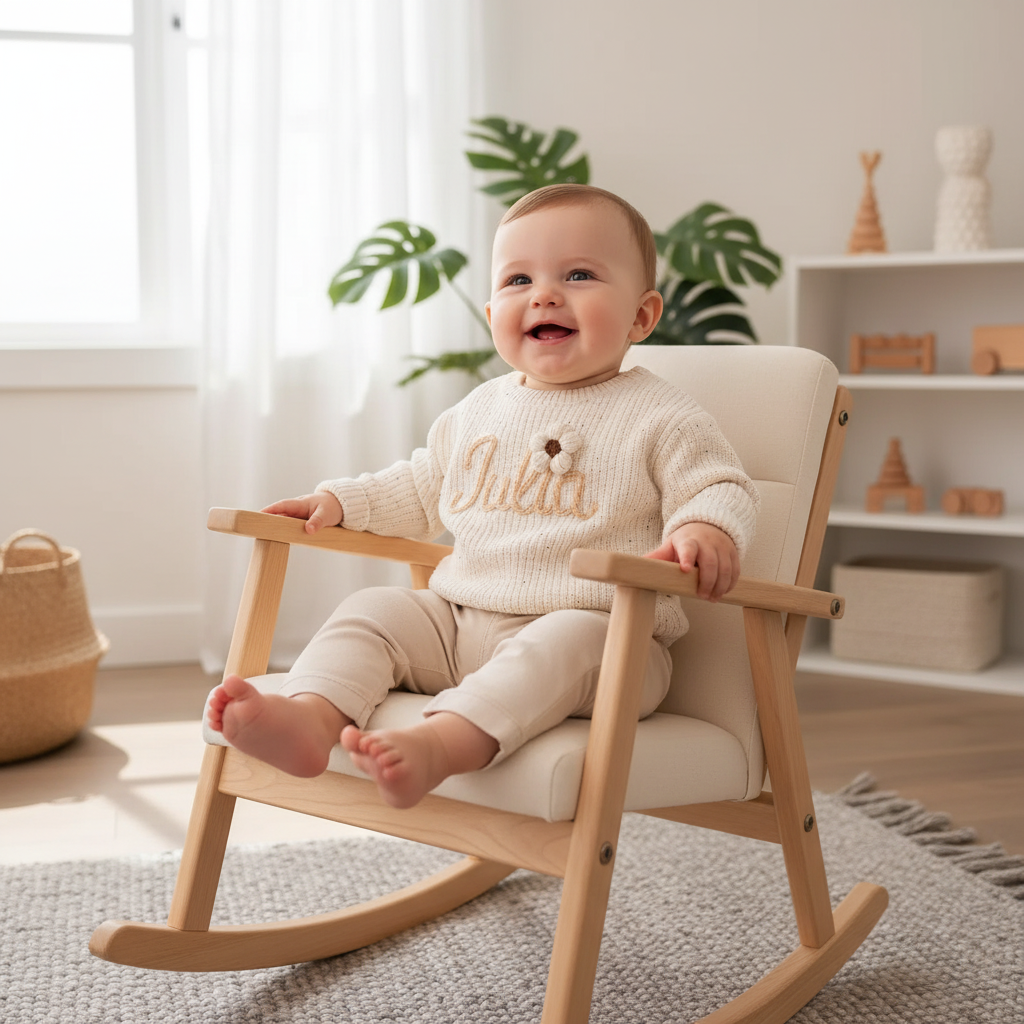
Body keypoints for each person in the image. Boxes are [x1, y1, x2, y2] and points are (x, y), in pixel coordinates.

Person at [207, 183, 760, 809]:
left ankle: (440, 744)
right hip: (459, 626)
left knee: (566, 640)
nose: (544, 294)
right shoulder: (480, 409)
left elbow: (719, 486)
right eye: (519, 279)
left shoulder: (663, 416)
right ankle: (311, 717)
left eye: (579, 275)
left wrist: (704, 529)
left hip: (607, 644)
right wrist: (340, 503)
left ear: (641, 316)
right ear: (493, 313)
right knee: (374, 609)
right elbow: (421, 486)